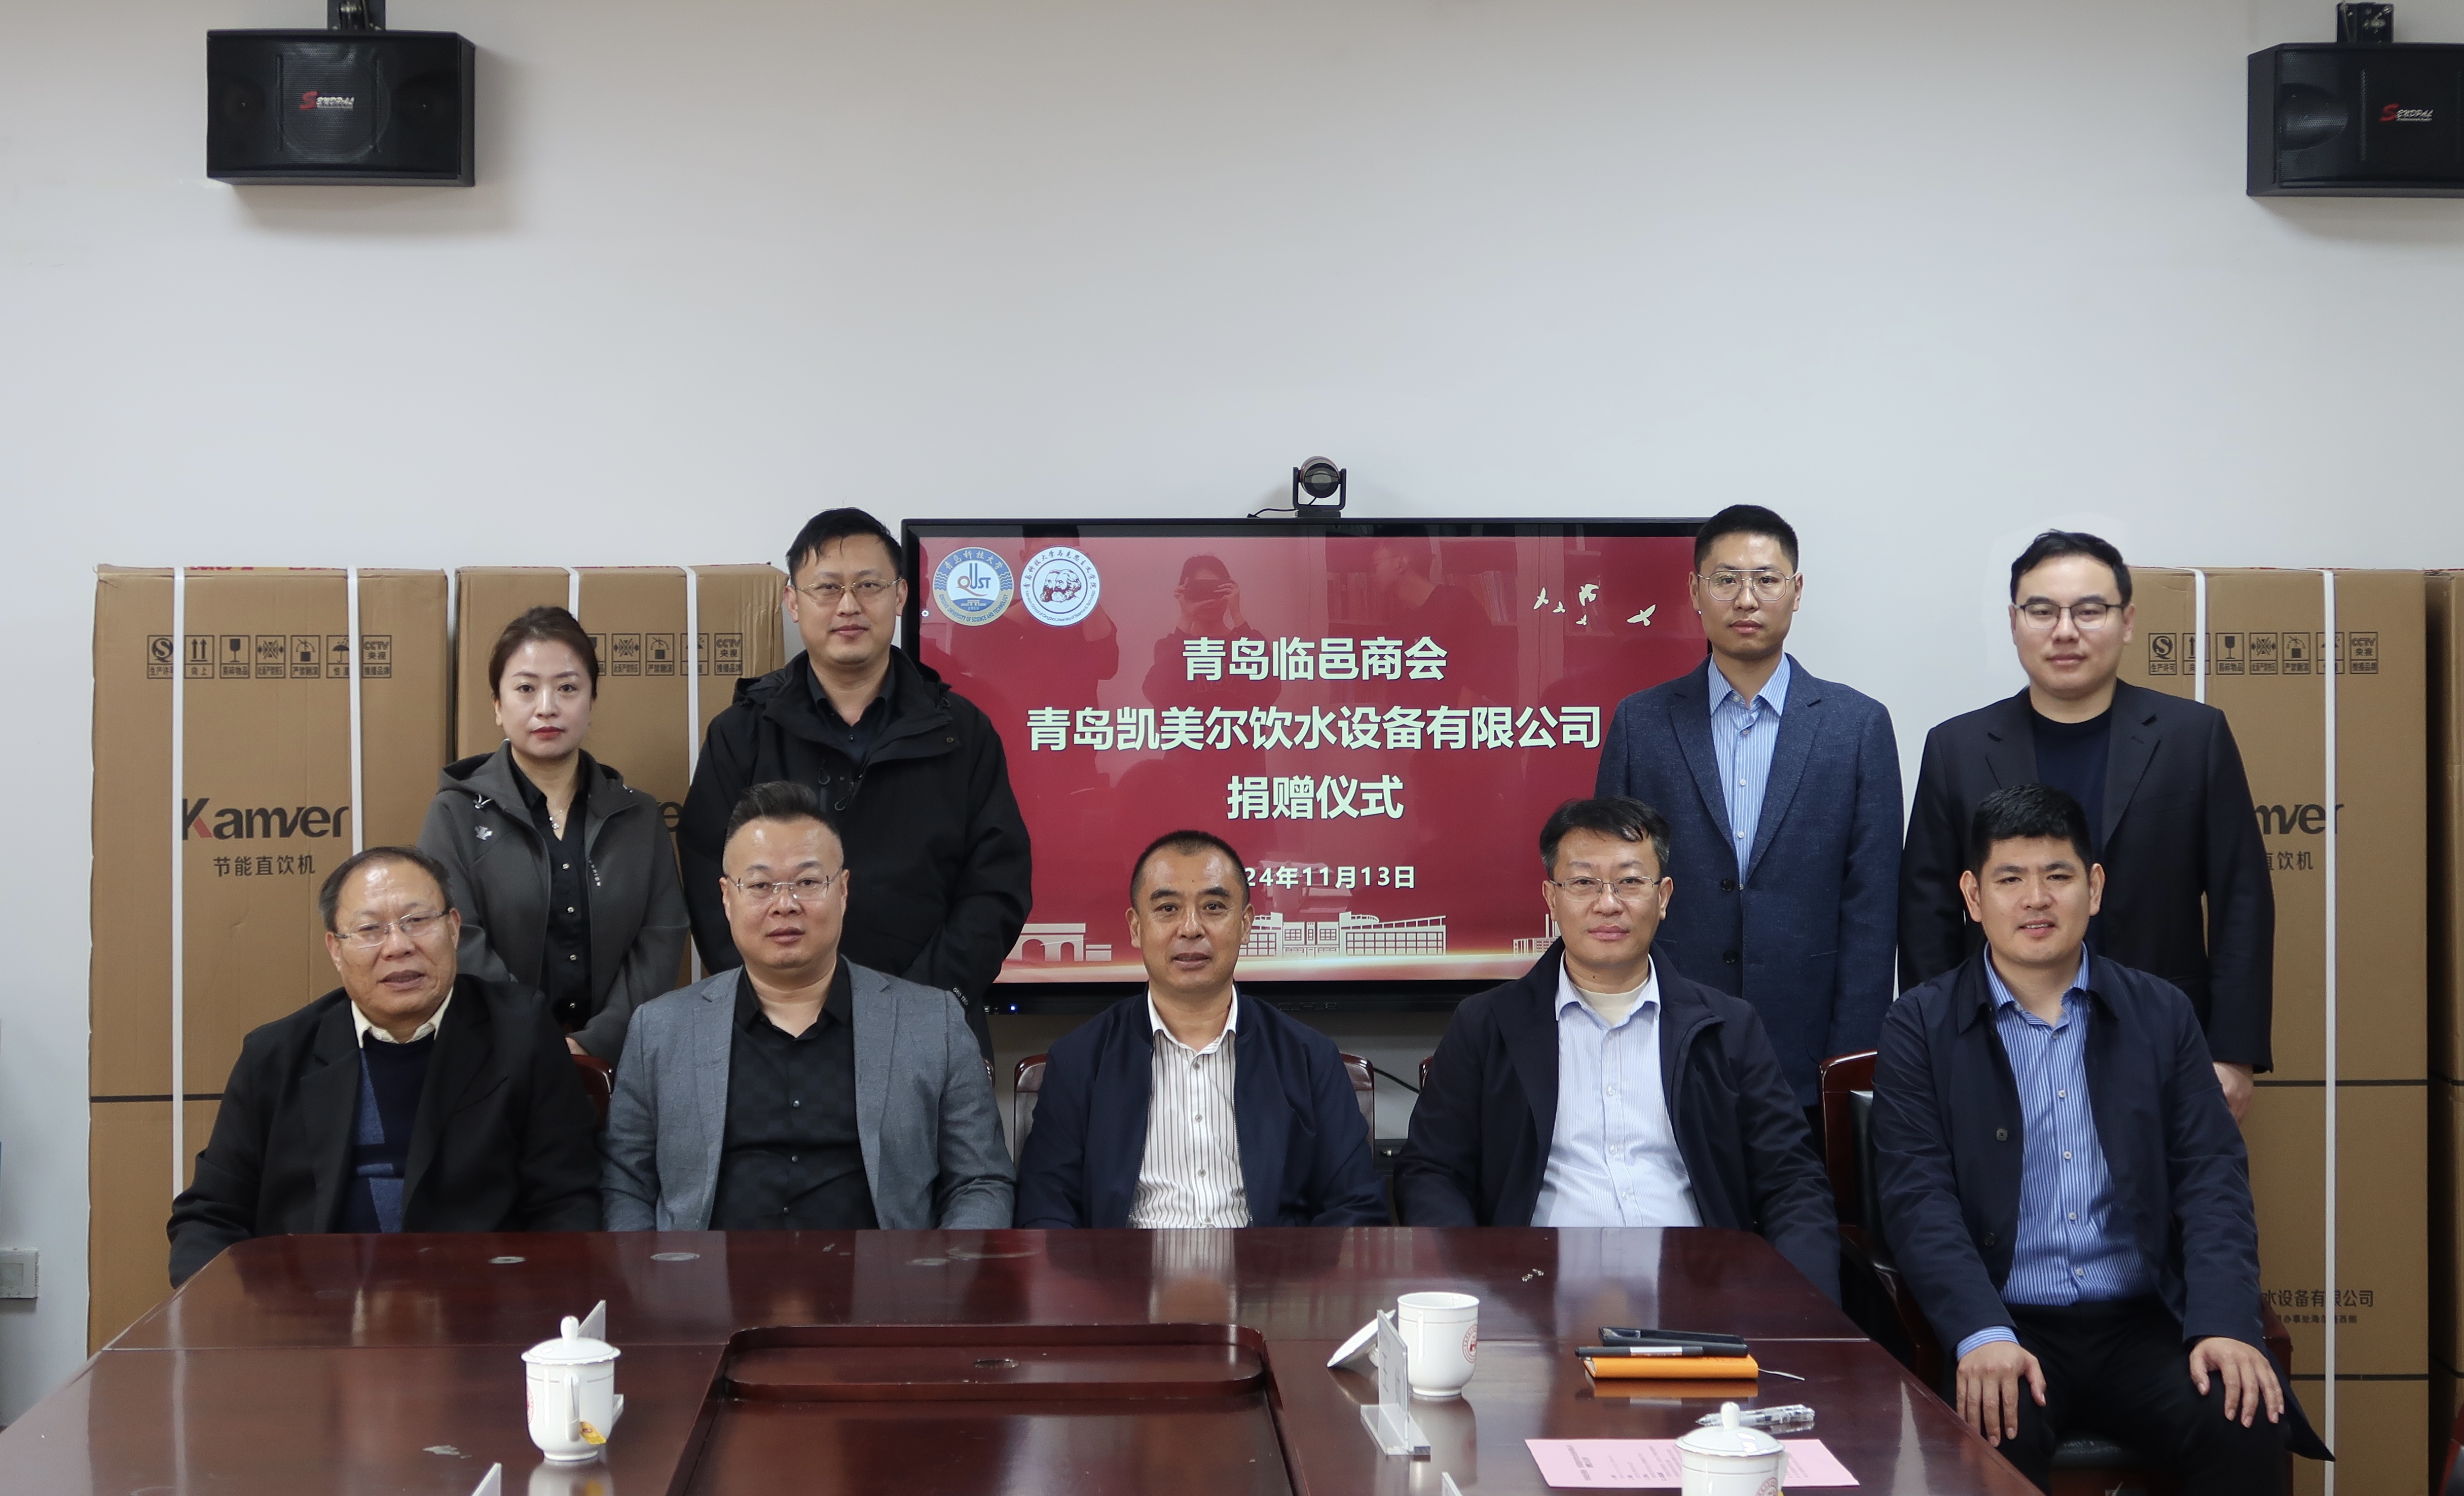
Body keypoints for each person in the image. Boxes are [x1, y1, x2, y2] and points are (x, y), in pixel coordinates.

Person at [1871, 784, 2326, 1492]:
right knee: (1991, 1426)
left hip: (2145, 1323)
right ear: (1972, 896)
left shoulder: (2161, 1014)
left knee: (2244, 1415)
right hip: (2010, 1320)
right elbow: (1916, 1197)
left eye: (2057, 875)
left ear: (2095, 887)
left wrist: (2224, 1323)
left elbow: (2211, 1180)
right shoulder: (1919, 1027)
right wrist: (1980, 1332)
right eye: (2010, 879)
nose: (2036, 899)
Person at [1395, 797, 1841, 1301]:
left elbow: (1792, 1183)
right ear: (1551, 897)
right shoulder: (1486, 1024)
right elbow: (1432, 1172)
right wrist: (1470, 1292)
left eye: (1629, 882)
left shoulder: (1728, 1027)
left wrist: (1804, 1314)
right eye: (1583, 883)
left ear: (1663, 896)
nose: (1607, 904)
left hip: (1700, 1296)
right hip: (1533, 1298)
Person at [1900, 531, 2272, 1122]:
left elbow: (2241, 899)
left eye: (2089, 611)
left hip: (2163, 1045)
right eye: (2042, 611)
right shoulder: (1957, 748)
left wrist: (2232, 1054)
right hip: (1997, 1047)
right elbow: (1928, 916)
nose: (2065, 631)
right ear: (2014, 622)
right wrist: (1937, 1049)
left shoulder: (2192, 738)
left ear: (2126, 622)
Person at [678, 507, 1030, 1061]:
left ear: (901, 595)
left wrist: (921, 1004)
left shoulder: (961, 732)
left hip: (929, 1026)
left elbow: (997, 886)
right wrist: (776, 1002)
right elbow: (709, 879)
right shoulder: (742, 733)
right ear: (793, 602)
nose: (848, 606)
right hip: (775, 1033)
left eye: (869, 585)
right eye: (827, 588)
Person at [1594, 504, 1899, 1130]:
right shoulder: (1641, 723)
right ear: (1695, 592)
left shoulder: (1856, 726)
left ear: (1796, 591)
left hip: (1809, 1047)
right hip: (1668, 1038)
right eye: (1726, 579)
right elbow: (1612, 893)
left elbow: (1872, 908)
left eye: (1766, 579)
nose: (1746, 598)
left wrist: (1849, 1060)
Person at [167, 847, 599, 1285]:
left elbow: (566, 1198)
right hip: (313, 1305)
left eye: (417, 921)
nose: (399, 947)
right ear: (336, 950)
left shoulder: (519, 1031)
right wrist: (223, 1307)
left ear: (453, 928)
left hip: (476, 1301)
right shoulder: (276, 1054)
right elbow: (210, 1214)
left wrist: (538, 1304)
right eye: (370, 929)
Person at [602, 781, 1012, 1231]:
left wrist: (947, 1270)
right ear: (726, 897)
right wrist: (653, 1271)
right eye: (760, 885)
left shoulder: (933, 1024)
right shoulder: (660, 1030)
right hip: (707, 1275)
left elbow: (981, 1182)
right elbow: (625, 1185)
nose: (785, 905)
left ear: (844, 890)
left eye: (808, 882)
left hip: (887, 1275)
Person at [1012, 830, 1387, 1229]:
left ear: (1245, 924)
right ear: (1136, 928)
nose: (1190, 928)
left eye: (1213, 907)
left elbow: (1356, 1207)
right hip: (1125, 1268)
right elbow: (1045, 1213)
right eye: (1167, 909)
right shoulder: (1078, 1061)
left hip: (1270, 1268)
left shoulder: (1309, 1058)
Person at [419, 607, 689, 1062]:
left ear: (592, 701)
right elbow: (454, 940)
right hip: (495, 1061)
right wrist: (534, 1039)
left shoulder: (638, 815)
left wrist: (596, 1042)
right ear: (498, 706)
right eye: (526, 689)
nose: (547, 707)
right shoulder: (455, 814)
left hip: (621, 1061)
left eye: (567, 688)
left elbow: (661, 937)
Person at [1139, 554, 1281, 710]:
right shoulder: (1171, 647)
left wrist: (1236, 614)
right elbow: (1156, 694)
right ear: (1186, 593)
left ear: (1229, 591)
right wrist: (1185, 619)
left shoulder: (1246, 644)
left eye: (1216, 590)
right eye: (1199, 591)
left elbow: (1270, 692)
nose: (1208, 599)